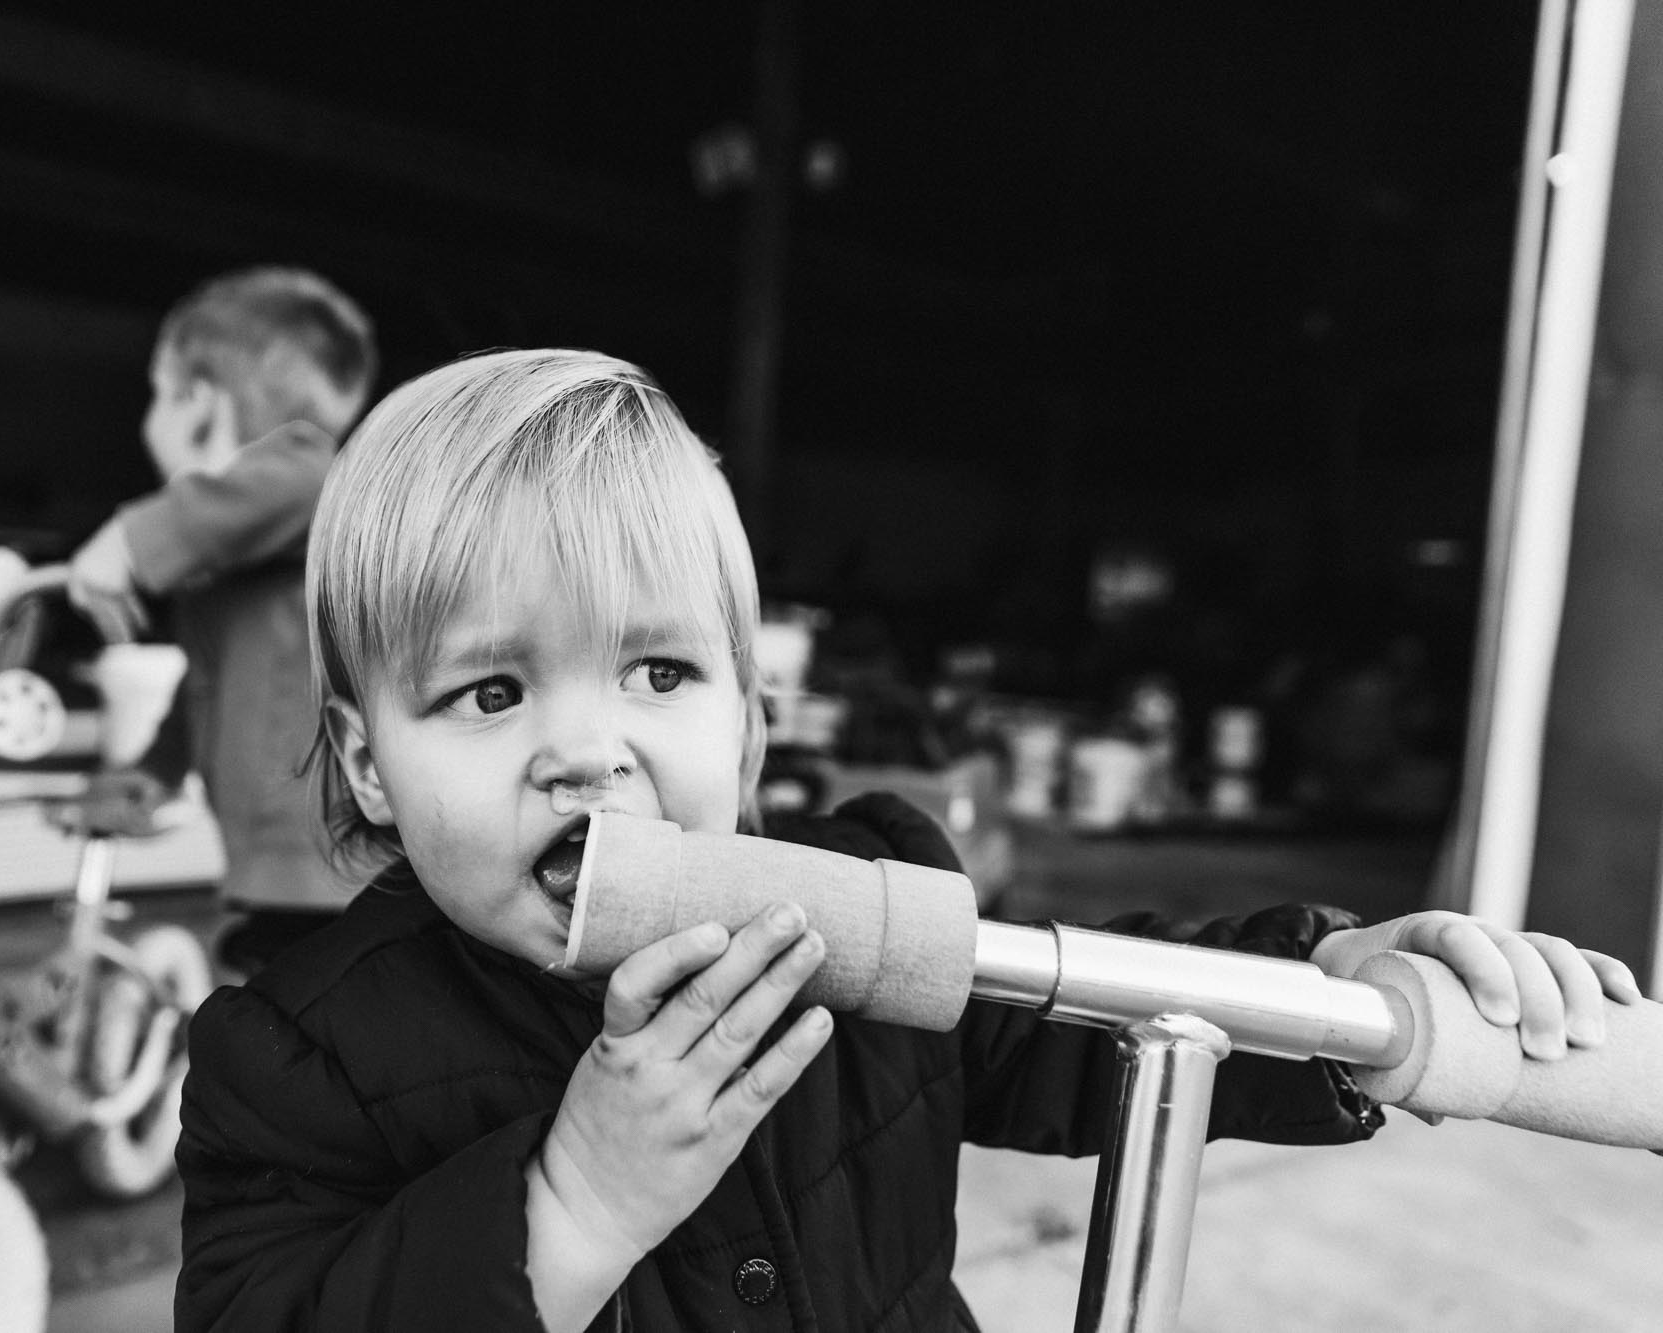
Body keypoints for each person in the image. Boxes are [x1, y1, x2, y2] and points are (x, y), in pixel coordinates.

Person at [173, 348, 1642, 1331]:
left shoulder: (864, 910)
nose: (586, 747)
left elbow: (1089, 1012)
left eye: (659, 672)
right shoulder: (300, 1058)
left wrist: (1333, 985)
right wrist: (573, 1202)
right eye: (491, 692)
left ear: (747, 723)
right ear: (367, 762)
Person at [65, 266, 379, 978]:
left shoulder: (309, 473)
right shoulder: (241, 553)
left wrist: (127, 542)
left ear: (198, 405)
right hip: (285, 872)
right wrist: (154, 769)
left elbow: (284, 480)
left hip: (334, 868)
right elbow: (211, 678)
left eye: (158, 396)